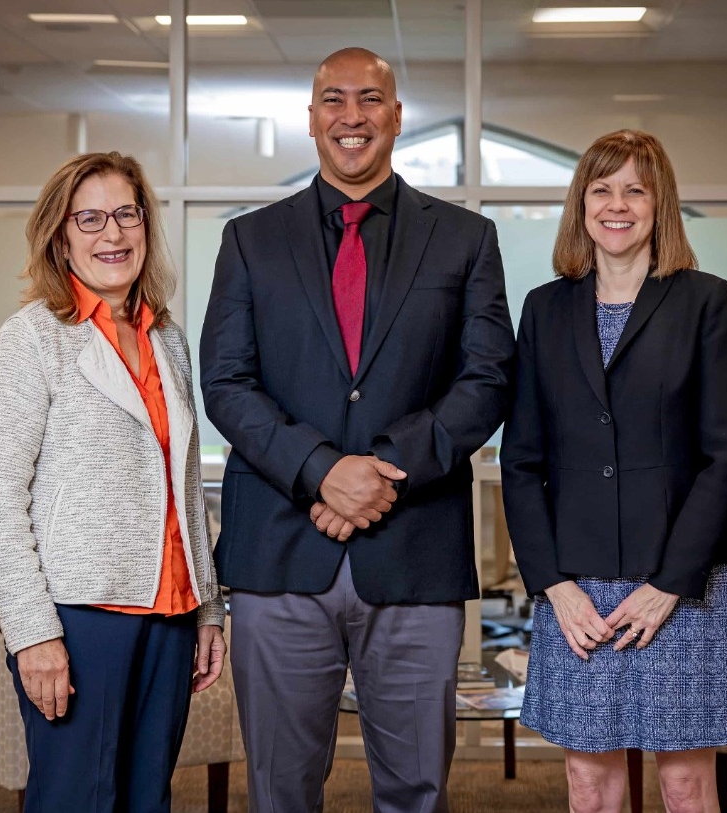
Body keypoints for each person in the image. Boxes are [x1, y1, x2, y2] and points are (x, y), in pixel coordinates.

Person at [200, 47, 515, 812]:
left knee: (415, 788)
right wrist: (319, 469)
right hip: (279, 551)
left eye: (369, 99)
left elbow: (487, 378)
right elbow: (225, 382)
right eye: (333, 100)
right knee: (280, 788)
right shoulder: (250, 239)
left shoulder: (464, 239)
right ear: (310, 120)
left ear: (396, 116)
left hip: (413, 551)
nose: (351, 116)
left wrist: (375, 469)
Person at [500, 129, 727, 813]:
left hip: (683, 584)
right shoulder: (543, 309)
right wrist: (552, 584)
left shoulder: (705, 300)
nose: (617, 204)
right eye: (602, 188)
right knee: (588, 780)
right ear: (581, 203)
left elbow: (725, 453)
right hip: (575, 590)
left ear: (658, 203)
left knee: (683, 782)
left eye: (634, 189)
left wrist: (668, 583)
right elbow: (519, 459)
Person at [0, 151, 225, 813]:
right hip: (80, 620)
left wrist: (206, 606)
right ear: (60, 235)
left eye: (125, 214)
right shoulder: (33, 338)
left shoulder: (166, 337)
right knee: (76, 800)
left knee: (148, 799)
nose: (112, 234)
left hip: (168, 615)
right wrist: (32, 633)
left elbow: (183, 487)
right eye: (90, 219)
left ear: (145, 225)